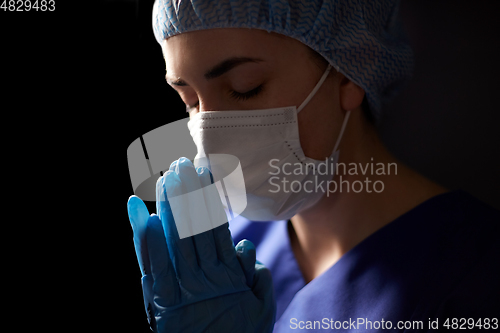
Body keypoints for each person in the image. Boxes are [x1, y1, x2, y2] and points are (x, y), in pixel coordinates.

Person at [127, 0, 500, 332]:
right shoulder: (218, 261)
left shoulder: (475, 272)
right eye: (190, 101)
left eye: (246, 87)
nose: (208, 138)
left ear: (352, 68)